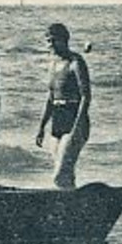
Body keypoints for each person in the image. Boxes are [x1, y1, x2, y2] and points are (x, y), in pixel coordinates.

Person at [34, 22, 91, 189]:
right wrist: (41, 126)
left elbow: (86, 96)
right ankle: (71, 208)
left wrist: (78, 126)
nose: (50, 45)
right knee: (66, 174)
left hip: (74, 116)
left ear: (64, 40)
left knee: (59, 176)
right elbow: (50, 98)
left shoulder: (76, 62)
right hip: (57, 118)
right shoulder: (52, 64)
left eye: (54, 41)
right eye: (48, 41)